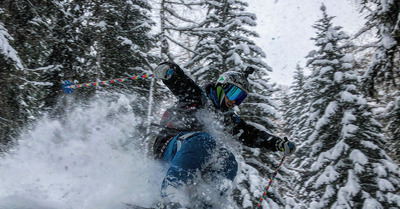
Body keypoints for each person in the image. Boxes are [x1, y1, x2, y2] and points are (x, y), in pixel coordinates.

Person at [152, 62, 296, 209]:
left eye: (240, 98)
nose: (234, 101)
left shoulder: (226, 118)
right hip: (170, 145)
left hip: (195, 154)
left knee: (228, 161)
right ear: (221, 87)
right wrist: (170, 71)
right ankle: (172, 194)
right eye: (234, 93)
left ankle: (205, 202)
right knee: (205, 141)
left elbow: (249, 133)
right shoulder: (198, 97)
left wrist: (276, 143)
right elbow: (182, 84)